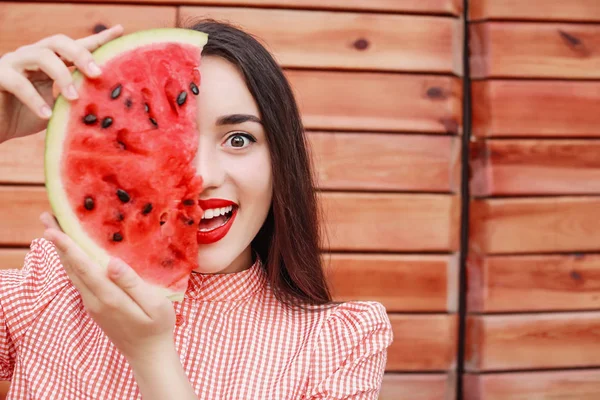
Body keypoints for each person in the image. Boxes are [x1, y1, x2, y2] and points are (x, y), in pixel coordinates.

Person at [0, 20, 393, 400]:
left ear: (281, 158)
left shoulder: (339, 343)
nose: (201, 175)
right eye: (166, 142)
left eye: (238, 139)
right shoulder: (54, 285)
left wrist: (151, 355)